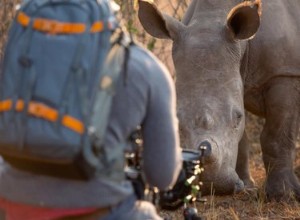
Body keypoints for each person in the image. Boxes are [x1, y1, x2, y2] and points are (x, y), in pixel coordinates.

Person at [0, 1, 182, 219]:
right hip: (99, 209)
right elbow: (161, 176)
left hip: (10, 202)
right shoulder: (144, 66)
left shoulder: (19, 51)